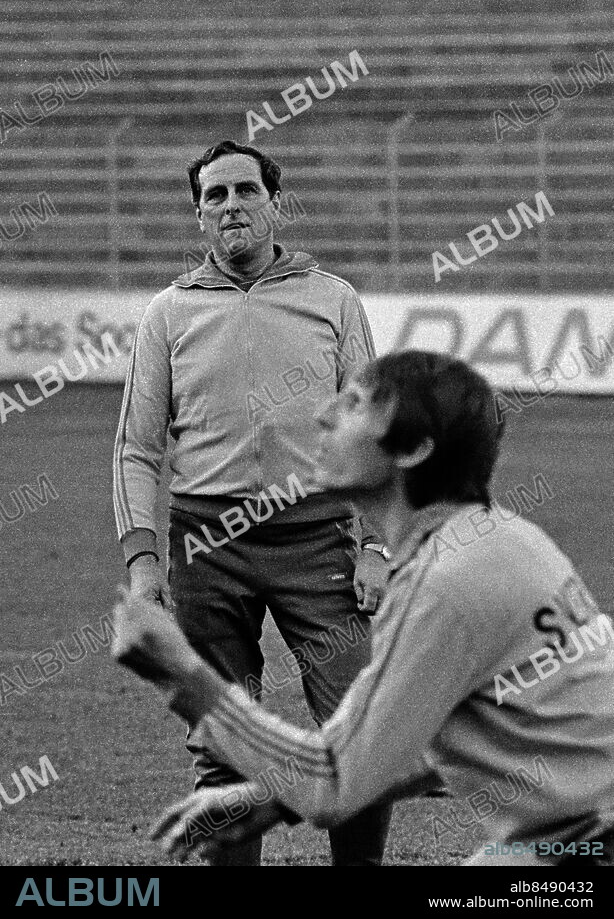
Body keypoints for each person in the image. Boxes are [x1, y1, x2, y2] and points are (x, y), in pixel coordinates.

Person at [114, 350, 614, 866]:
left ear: (415, 448)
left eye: (354, 404)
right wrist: (271, 796)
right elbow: (422, 747)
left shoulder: (445, 581)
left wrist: (180, 672)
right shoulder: (503, 541)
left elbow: (333, 782)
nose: (323, 415)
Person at [112, 139, 391, 866]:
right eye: (214, 196)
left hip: (318, 540)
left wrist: (380, 545)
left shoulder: (333, 298)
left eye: (244, 191)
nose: (230, 205)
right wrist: (144, 565)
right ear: (198, 216)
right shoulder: (168, 312)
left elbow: (376, 434)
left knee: (355, 739)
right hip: (207, 547)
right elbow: (136, 448)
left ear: (273, 202)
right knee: (225, 749)